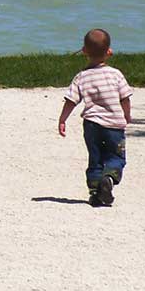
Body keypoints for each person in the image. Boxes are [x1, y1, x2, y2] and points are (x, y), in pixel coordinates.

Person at [58, 28, 131, 207]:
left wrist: (62, 119)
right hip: (114, 124)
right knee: (116, 157)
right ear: (109, 52)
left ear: (84, 51)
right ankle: (109, 178)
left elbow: (71, 100)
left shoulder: (81, 77)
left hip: (91, 125)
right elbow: (125, 98)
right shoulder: (116, 74)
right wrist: (127, 115)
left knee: (95, 157)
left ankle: (95, 193)